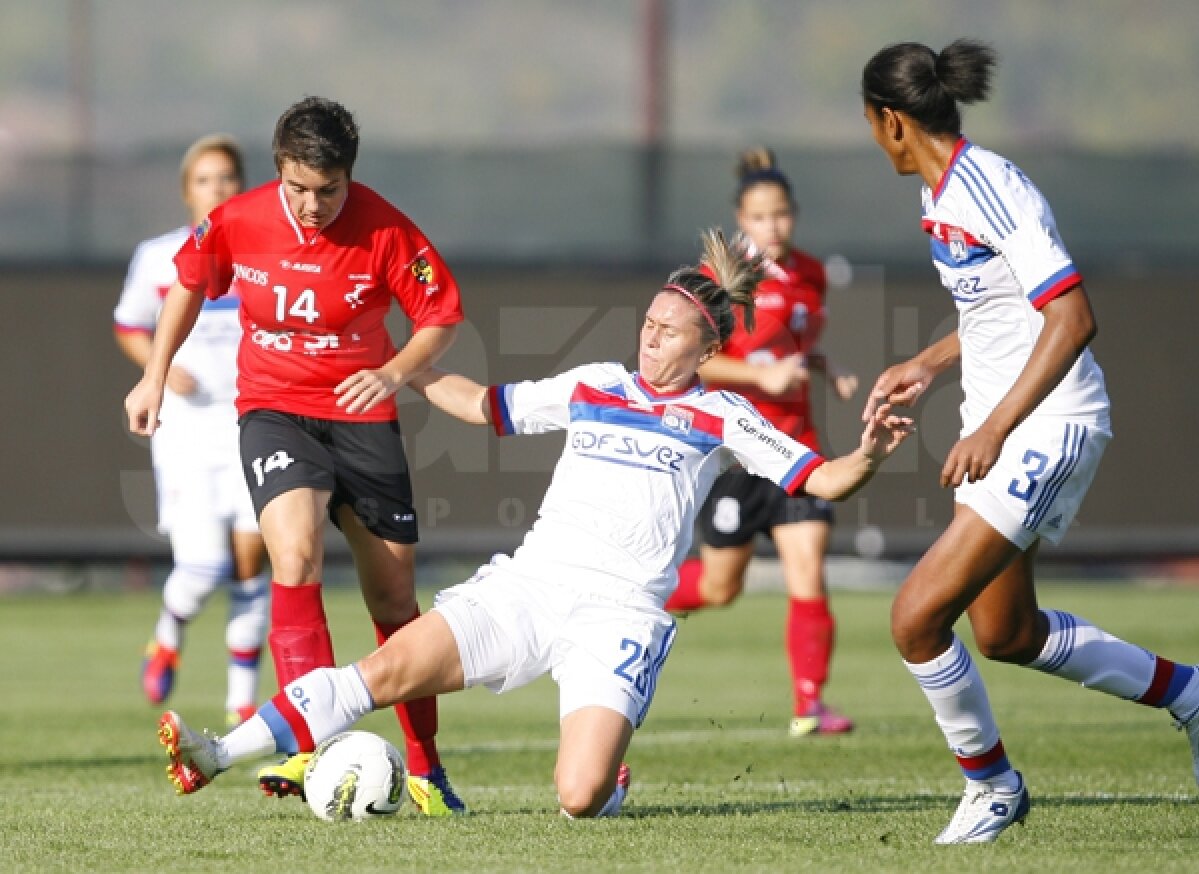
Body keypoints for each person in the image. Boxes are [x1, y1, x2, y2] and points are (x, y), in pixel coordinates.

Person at [154, 229, 915, 818]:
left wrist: (870, 452)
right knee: (379, 673)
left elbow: (824, 477)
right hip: (531, 584)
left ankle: (608, 770)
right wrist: (400, 368)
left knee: (579, 799)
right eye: (647, 322)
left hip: (619, 613)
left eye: (670, 330)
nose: (650, 337)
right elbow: (485, 405)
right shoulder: (596, 385)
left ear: (710, 347)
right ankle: (214, 753)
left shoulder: (724, 415)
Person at [859, 38, 1199, 844]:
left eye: (871, 125)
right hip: (1009, 423)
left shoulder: (989, 187)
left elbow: (1073, 317)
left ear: (892, 121)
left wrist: (993, 428)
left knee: (914, 618)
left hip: (1049, 424)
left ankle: (993, 787)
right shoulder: (940, 194)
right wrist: (931, 362)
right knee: (1007, 633)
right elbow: (1001, 309)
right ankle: (1190, 695)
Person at [125, 97, 467, 816]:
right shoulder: (240, 218)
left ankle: (428, 769)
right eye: (298, 188)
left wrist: (396, 371)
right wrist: (155, 372)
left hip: (364, 418)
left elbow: (440, 316)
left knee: (396, 602)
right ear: (279, 170)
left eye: (328, 190)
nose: (312, 205)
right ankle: (306, 746)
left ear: (350, 176)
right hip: (275, 413)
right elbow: (189, 282)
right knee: (295, 556)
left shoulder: (386, 228)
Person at [664, 148, 860, 737]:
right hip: (738, 453)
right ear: (739, 220)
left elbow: (795, 347)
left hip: (797, 447)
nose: (772, 226)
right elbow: (691, 365)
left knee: (809, 569)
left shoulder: (811, 274)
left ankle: (810, 704)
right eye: (759, 217)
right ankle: (633, 597)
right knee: (721, 587)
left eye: (781, 215)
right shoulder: (719, 284)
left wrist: (827, 367)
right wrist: (761, 379)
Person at [114, 134, 269, 728]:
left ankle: (241, 703)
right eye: (205, 179)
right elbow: (128, 325)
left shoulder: (260, 254)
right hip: (185, 432)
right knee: (203, 567)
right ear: (187, 191)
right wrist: (160, 366)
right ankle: (168, 632)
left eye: (227, 177)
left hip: (252, 425)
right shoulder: (159, 258)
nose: (218, 188)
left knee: (253, 566)